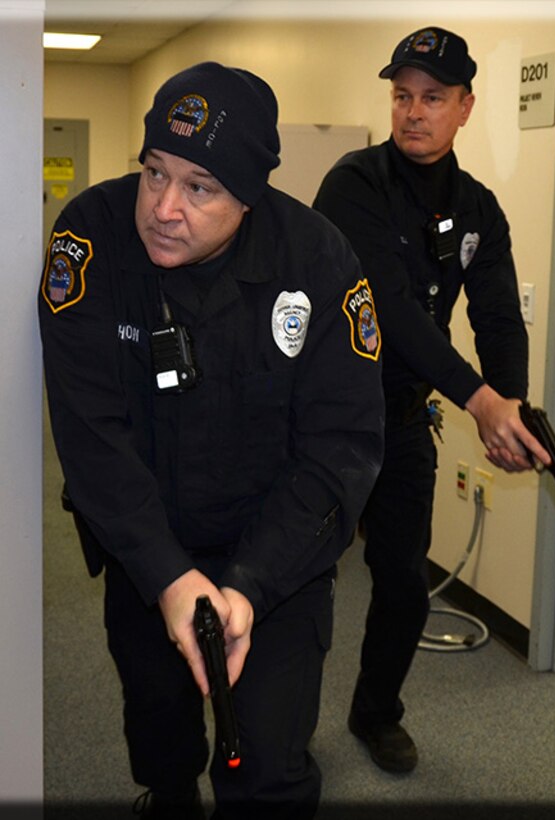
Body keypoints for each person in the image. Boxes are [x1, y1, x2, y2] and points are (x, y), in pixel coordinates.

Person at [39, 61, 385, 819]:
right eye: (154, 172)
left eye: (200, 187)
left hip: (279, 552)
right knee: (161, 730)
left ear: (251, 196)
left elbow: (341, 449)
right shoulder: (88, 242)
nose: (163, 208)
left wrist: (249, 586)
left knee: (266, 764)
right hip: (146, 541)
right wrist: (167, 575)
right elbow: (91, 434)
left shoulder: (319, 263)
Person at [313, 27, 551, 775]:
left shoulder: (478, 208)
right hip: (321, 418)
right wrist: (479, 399)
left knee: (403, 581)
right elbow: (390, 311)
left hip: (404, 418)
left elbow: (496, 314)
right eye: (402, 96)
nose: (413, 112)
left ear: (465, 108)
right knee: (296, 578)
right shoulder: (354, 185)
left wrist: (508, 408)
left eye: (432, 98)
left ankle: (375, 713)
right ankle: (277, 733)